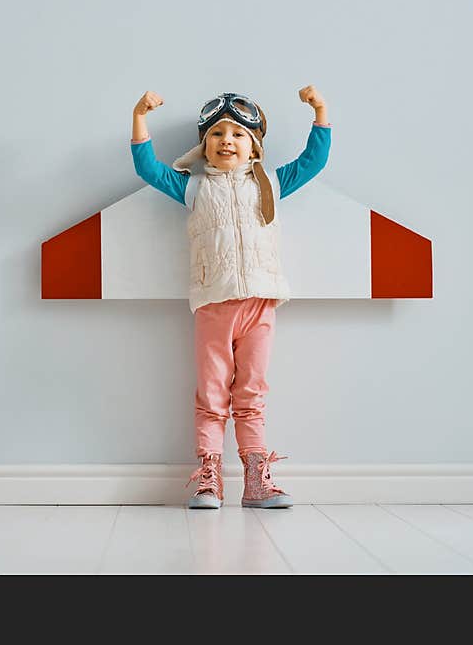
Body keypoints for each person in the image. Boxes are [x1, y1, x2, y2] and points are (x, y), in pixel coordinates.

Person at [130, 88, 331, 509]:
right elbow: (148, 168)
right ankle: (209, 480)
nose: (227, 140)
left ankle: (256, 480)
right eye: (217, 133)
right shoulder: (192, 187)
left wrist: (320, 111)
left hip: (260, 302)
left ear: (254, 146)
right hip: (214, 303)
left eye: (238, 135)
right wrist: (139, 116)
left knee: (252, 393)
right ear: (203, 145)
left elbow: (313, 162)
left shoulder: (272, 183)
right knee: (211, 393)